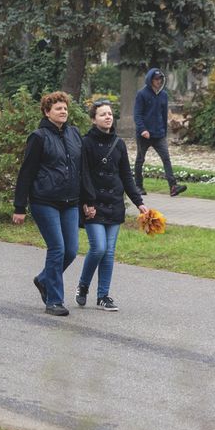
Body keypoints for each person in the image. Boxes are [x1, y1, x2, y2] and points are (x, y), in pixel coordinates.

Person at [13, 91, 93, 317]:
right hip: (44, 201)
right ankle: (54, 300)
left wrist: (88, 200)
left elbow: (82, 169)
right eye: (58, 108)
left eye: (65, 108)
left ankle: (43, 279)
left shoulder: (74, 134)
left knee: (71, 250)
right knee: (57, 249)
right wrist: (19, 207)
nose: (63, 111)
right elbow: (26, 172)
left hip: (70, 201)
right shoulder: (38, 137)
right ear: (47, 112)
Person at [78, 100, 147, 312]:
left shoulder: (119, 144)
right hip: (93, 205)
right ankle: (83, 285)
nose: (108, 117)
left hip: (114, 204)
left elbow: (126, 175)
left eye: (109, 114)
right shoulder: (86, 143)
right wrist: (87, 202)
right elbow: (83, 175)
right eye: (102, 114)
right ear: (93, 119)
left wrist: (139, 202)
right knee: (98, 247)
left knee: (108, 252)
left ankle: (103, 296)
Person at [133, 68, 187, 197]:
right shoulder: (142, 94)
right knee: (140, 160)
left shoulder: (163, 95)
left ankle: (173, 187)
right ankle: (138, 186)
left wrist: (164, 131)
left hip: (159, 135)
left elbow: (163, 115)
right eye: (156, 79)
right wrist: (143, 129)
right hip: (144, 135)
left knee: (166, 159)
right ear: (150, 80)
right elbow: (137, 115)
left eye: (160, 79)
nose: (158, 81)